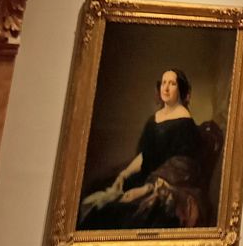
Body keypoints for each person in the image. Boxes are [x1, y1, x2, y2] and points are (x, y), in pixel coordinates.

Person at [78, 68, 211, 229]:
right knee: (95, 193)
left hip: (167, 187)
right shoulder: (153, 120)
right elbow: (144, 155)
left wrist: (146, 189)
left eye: (172, 83)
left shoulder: (185, 123)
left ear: (181, 89)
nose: (166, 88)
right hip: (146, 177)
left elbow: (182, 166)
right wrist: (124, 174)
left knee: (123, 212)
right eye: (163, 83)